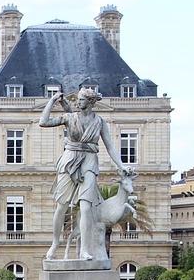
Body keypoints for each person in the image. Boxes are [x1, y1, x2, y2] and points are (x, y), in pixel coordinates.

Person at [40, 88, 133, 260]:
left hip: (89, 161)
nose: (78, 102)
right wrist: (52, 101)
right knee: (62, 206)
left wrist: (121, 166)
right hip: (69, 161)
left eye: (81, 99)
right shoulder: (69, 117)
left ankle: (84, 249)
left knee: (86, 208)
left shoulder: (99, 122)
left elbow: (110, 147)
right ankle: (55, 243)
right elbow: (43, 122)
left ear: (90, 102)